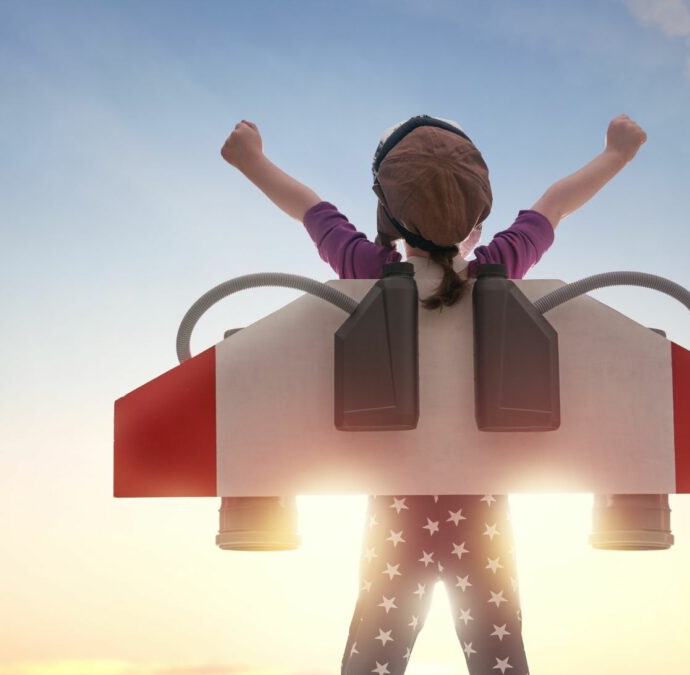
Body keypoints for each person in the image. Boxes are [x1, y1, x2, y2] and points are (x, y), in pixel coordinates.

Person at [221, 113, 646, 675]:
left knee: (372, 650)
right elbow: (556, 204)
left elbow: (309, 209)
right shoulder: (498, 266)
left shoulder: (367, 268)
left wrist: (251, 158)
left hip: (398, 512)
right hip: (481, 509)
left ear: (389, 219)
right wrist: (616, 154)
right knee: (501, 657)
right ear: (476, 216)